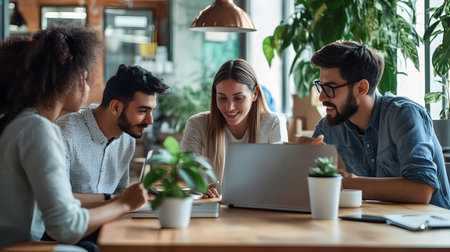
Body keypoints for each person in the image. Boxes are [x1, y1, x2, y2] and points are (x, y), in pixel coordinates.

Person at [0, 25, 148, 250]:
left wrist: (117, 200)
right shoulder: (38, 128)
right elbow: (66, 227)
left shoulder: (16, 121)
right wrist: (125, 204)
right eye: (87, 79)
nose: (88, 87)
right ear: (71, 78)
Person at [309, 41, 450, 209]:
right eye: (321, 87)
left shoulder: (404, 115)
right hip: (372, 224)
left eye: (330, 88)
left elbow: (422, 189)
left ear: (361, 88)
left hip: (429, 228)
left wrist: (346, 182)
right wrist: (300, 160)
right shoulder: (327, 128)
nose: (322, 98)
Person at [56, 64, 169, 208]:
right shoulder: (65, 132)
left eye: (151, 111)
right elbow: (59, 199)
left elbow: (120, 190)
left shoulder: (127, 138)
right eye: (142, 111)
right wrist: (115, 199)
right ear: (115, 107)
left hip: (108, 222)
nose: (150, 121)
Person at [181, 59, 288, 198]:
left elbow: (280, 179)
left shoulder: (273, 124)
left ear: (255, 93)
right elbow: (188, 175)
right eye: (222, 98)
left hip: (256, 209)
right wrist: (199, 188)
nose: (229, 107)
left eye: (238, 98)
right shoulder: (197, 124)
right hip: (211, 210)